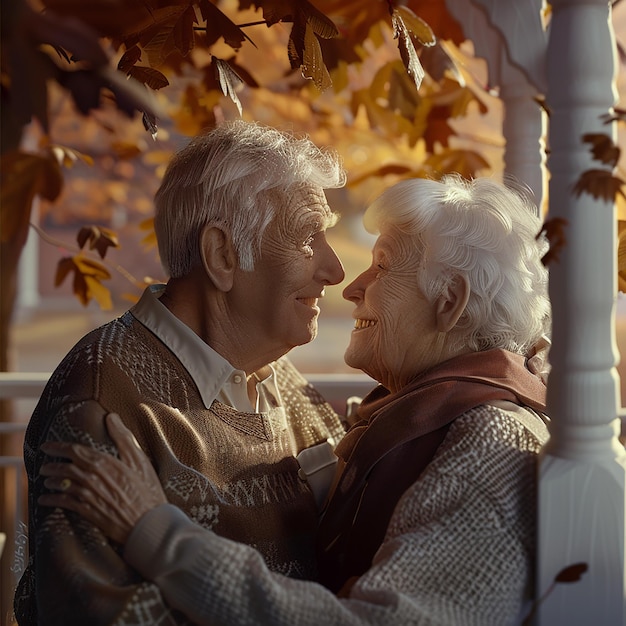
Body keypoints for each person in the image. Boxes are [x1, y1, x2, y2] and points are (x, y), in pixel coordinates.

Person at [37, 175, 552, 625]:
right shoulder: (420, 413)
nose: (348, 283)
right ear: (222, 256)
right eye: (310, 238)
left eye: (384, 266)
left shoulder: (490, 443)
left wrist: (158, 534)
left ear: (450, 302)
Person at [14, 120, 349, 625]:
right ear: (222, 255)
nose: (336, 269)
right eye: (308, 238)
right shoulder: (102, 401)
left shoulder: (284, 382)